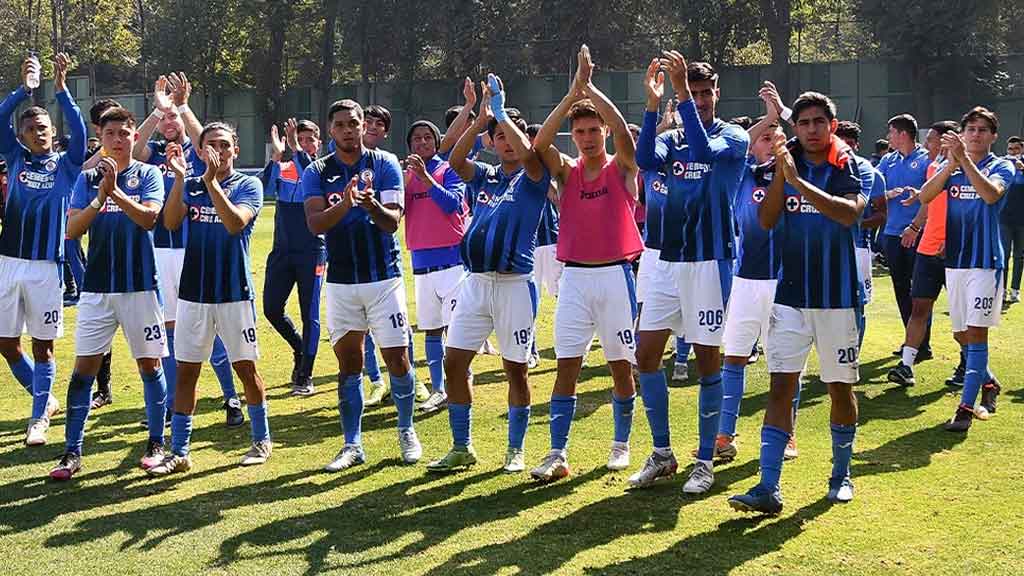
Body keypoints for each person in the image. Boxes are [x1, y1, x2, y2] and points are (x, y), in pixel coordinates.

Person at [729, 91, 865, 514]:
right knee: (780, 388)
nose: (810, 130)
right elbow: (767, 220)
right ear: (795, 127)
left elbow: (848, 214)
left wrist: (799, 183)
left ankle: (840, 475)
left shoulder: (847, 166)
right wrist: (782, 178)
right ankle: (768, 487)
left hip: (837, 299)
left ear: (832, 126)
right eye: (803, 123)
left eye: (818, 122)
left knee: (838, 389)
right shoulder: (783, 166)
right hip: (789, 297)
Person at [631, 53, 749, 494]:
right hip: (663, 259)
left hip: (708, 260)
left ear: (716, 93)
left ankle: (704, 460)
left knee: (706, 361)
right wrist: (650, 105)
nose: (697, 100)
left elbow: (702, 150)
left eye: (703, 93)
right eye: (692, 93)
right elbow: (644, 158)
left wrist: (679, 95)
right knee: (646, 357)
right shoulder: (672, 136)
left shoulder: (733, 137)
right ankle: (663, 453)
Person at [527, 45, 642, 481]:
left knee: (619, 365)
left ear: (604, 133)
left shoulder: (621, 168)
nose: (589, 136)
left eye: (595, 130)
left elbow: (627, 140)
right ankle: (557, 452)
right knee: (567, 366)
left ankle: (621, 444)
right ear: (572, 136)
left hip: (615, 276)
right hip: (574, 278)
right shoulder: (566, 171)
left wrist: (592, 88)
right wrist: (572, 94)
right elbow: (539, 144)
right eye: (581, 131)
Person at [426, 75, 550, 473]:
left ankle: (515, 449)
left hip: (514, 286)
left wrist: (500, 113)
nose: (507, 142)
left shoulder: (533, 177)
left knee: (515, 369)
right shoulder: (486, 175)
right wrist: (480, 120)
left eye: (511, 135)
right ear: (492, 142)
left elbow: (531, 155)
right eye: (499, 136)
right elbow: (454, 161)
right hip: (475, 284)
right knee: (454, 363)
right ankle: (462, 447)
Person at [49, 107, 168, 480]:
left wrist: (115, 191)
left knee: (150, 365)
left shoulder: (148, 174)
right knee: (83, 370)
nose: (118, 139)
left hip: (140, 287)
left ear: (135, 137)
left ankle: (155, 442)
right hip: (97, 289)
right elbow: (72, 230)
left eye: (124, 133)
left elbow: (149, 218)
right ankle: (72, 451)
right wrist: (101, 197)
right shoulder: (86, 179)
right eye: (111, 133)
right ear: (101, 138)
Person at [303, 99, 422, 472]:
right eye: (340, 124)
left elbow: (392, 223)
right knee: (349, 363)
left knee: (397, 359)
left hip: (383, 279)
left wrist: (369, 206)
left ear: (362, 125)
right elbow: (315, 224)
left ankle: (406, 430)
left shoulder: (384, 164)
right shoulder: (318, 170)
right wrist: (347, 203)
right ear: (330, 131)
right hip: (340, 282)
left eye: (353, 123)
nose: (348, 129)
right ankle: (352, 443)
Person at [146, 123, 272, 475]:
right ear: (199, 152)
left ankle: (261, 439)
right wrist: (177, 180)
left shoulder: (249, 185)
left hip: (234, 293)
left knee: (245, 369)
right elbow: (170, 223)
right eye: (210, 145)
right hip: (193, 294)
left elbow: (235, 224)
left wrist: (212, 182)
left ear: (236, 150)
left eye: (225, 145)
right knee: (187, 372)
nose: (218, 150)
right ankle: (180, 451)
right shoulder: (189, 187)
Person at [133, 73, 244, 427]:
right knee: (169, 333)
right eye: (164, 119)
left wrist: (182, 106)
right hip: (160, 252)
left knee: (212, 333)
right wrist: (157, 110)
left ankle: (231, 397)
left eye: (173, 119)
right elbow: (133, 153)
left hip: (194, 252)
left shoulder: (199, 157)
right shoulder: (154, 156)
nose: (168, 124)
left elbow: (207, 142)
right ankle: (169, 404)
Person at [0, 53, 84, 446]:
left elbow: (81, 134)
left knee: (43, 345)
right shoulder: (15, 158)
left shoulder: (66, 167)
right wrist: (24, 90)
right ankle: (46, 398)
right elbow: (1, 118)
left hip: (46, 268)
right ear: (22, 134)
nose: (40, 132)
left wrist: (62, 90)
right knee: (5, 343)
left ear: (53, 131)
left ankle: (38, 420)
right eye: (32, 128)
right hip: (8, 263)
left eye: (45, 127)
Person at [914, 107, 1014, 431]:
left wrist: (964, 161)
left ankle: (965, 410)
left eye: (983, 130)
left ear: (993, 135)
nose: (975, 135)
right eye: (970, 129)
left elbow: (990, 194)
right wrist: (950, 165)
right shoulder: (952, 165)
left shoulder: (1003, 165)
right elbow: (925, 196)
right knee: (961, 335)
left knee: (976, 334)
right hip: (955, 262)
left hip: (985, 263)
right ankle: (988, 382)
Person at [712, 83, 785, 463]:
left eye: (777, 137)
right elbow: (742, 143)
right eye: (765, 138)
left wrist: (782, 118)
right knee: (734, 358)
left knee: (783, 364)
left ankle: (784, 435)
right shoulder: (742, 175)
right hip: (745, 281)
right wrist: (769, 118)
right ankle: (725, 435)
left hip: (784, 282)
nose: (771, 142)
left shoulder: (794, 175)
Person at [887, 121, 963, 386]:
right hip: (927, 247)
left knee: (960, 314)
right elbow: (929, 203)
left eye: (930, 139)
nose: (926, 143)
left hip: (955, 252)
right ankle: (906, 365)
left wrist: (952, 239)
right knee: (919, 307)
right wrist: (914, 226)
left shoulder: (967, 170)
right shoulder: (934, 167)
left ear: (946, 141)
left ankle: (968, 364)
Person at [403, 118, 469, 413]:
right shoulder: (405, 176)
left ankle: (460, 380)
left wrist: (426, 180)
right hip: (421, 262)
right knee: (431, 329)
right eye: (416, 139)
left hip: (453, 262)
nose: (422, 143)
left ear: (437, 141)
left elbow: (452, 204)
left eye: (427, 138)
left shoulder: (449, 169)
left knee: (455, 331)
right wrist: (407, 180)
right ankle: (439, 388)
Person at [261, 118, 325, 396]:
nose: (304, 143)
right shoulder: (284, 168)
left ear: (319, 144)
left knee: (309, 311)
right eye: (300, 139)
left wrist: (296, 148)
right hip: (282, 252)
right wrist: (276, 157)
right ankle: (299, 348)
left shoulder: (324, 170)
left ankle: (305, 373)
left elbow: (309, 173)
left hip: (312, 252)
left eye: (310, 139)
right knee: (271, 309)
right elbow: (262, 191)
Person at [878, 114, 933, 362]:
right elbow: (871, 188)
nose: (888, 137)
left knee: (920, 291)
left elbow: (934, 194)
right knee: (901, 288)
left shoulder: (925, 160)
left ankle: (923, 344)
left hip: (919, 233)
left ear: (902, 134)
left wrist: (918, 195)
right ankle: (911, 340)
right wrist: (887, 193)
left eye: (891, 132)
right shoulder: (887, 161)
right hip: (891, 233)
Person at [834, 120, 886, 347]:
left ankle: (854, 351)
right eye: (840, 142)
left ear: (856, 145)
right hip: (830, 247)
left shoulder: (870, 172)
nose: (845, 148)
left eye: (850, 144)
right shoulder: (825, 169)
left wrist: (856, 225)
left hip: (859, 249)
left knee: (857, 303)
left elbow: (882, 214)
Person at [1000, 136, 1024, 305]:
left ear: (1022, 150)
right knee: (1004, 255)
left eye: (1016, 149)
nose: (1013, 152)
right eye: (1010, 149)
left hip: (1022, 219)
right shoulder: (1002, 165)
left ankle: (1015, 290)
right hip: (1004, 217)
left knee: (1019, 256)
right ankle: (1001, 290)